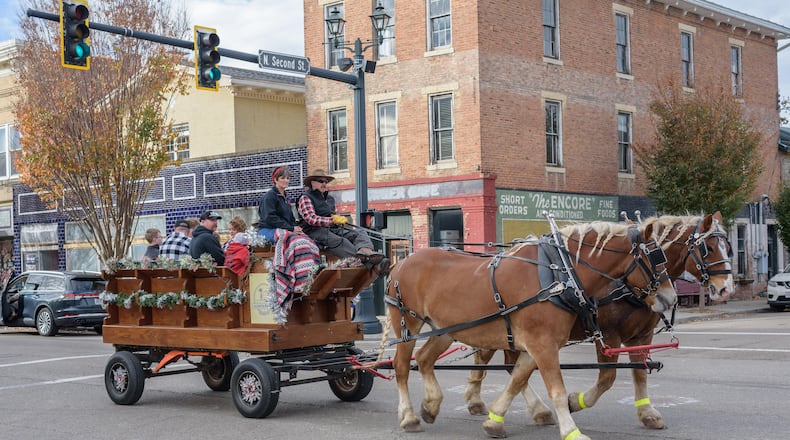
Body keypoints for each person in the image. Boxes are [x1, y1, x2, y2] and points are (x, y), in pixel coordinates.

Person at [297, 169, 389, 275]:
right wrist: (332, 220)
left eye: (326, 181)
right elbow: (311, 219)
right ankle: (368, 262)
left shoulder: (329, 199)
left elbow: (335, 214)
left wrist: (339, 220)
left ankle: (366, 253)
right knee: (340, 241)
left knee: (359, 232)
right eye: (321, 181)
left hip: (332, 229)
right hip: (314, 231)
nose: (324, 184)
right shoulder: (305, 198)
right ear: (313, 183)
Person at [257, 166, 303, 243]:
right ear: (275, 179)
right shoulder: (269, 197)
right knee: (292, 240)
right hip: (268, 229)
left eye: (288, 178)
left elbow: (290, 217)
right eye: (283, 178)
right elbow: (270, 218)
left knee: (304, 238)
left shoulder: (286, 197)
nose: (286, 180)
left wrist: (295, 227)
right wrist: (291, 228)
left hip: (284, 228)